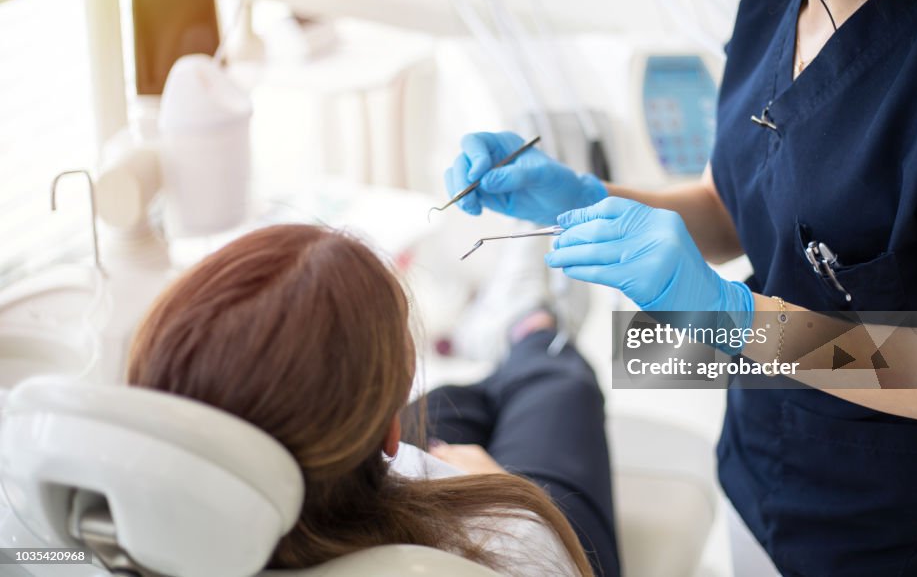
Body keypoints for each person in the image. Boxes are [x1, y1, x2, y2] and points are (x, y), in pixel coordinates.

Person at [444, 0, 917, 574]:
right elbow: (733, 206)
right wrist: (582, 195)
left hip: (896, 519)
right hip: (760, 473)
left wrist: (733, 317)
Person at [127, 224, 620, 577]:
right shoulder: (518, 540)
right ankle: (532, 326)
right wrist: (503, 492)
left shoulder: (117, 540)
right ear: (390, 433)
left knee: (454, 400)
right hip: (560, 542)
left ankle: (502, 343)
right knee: (558, 384)